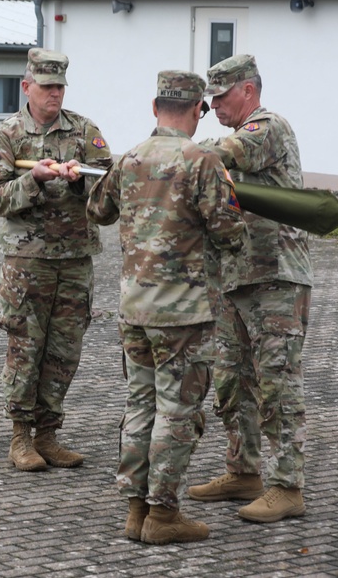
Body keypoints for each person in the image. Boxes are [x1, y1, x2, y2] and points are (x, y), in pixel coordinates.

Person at [86, 70, 247, 544]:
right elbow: (229, 232)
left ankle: (136, 509)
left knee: (141, 404)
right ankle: (163, 514)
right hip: (184, 313)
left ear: (155, 108)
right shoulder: (202, 161)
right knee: (178, 411)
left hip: (134, 308)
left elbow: (98, 211)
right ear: (198, 110)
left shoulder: (130, 157)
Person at [187, 54, 314, 524]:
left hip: (275, 278)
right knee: (233, 380)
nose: (215, 107)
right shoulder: (232, 133)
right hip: (236, 277)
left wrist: (165, 151)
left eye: (220, 98)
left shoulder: (267, 127)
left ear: (248, 91)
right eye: (210, 100)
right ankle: (244, 471)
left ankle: (286, 487)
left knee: (276, 384)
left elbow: (224, 155)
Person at [0, 48, 112, 472]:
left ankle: (48, 434)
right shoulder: (7, 135)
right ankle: (20, 437)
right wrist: (33, 179)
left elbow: (109, 193)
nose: (54, 94)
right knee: (25, 346)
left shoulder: (85, 131)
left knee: (64, 349)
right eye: (47, 86)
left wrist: (79, 184)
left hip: (74, 258)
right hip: (27, 261)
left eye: (60, 87)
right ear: (27, 87)